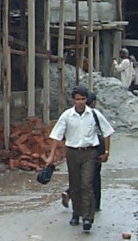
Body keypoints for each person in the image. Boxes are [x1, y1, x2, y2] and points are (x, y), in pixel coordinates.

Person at [45, 86, 113, 233]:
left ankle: (87, 218)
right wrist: (51, 156)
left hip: (90, 153)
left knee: (87, 183)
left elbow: (107, 132)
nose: (80, 102)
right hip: (72, 153)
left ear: (86, 100)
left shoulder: (94, 115)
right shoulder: (67, 116)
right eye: (78, 99)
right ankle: (76, 213)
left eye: (83, 99)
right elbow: (57, 136)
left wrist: (107, 151)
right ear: (73, 100)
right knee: (75, 184)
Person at [86, 92, 111, 212]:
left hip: (90, 149)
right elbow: (106, 133)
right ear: (94, 102)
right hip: (94, 148)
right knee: (94, 176)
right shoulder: (95, 114)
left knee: (88, 176)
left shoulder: (93, 115)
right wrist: (106, 151)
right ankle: (94, 204)